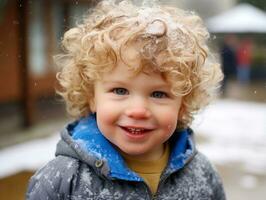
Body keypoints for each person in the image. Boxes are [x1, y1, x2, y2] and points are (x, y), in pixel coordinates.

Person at [26, 1, 226, 199]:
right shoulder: (62, 181)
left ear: (182, 105)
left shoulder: (202, 176)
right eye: (120, 90)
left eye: (158, 94)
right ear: (91, 96)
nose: (138, 110)